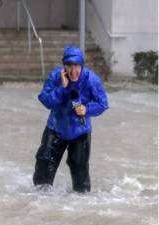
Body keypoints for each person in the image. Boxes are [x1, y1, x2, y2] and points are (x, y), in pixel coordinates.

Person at [33, 46, 109, 193]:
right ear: (64, 66)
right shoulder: (55, 76)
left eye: (76, 66)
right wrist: (62, 88)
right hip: (55, 129)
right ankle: (39, 201)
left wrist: (87, 109)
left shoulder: (91, 80)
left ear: (82, 65)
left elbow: (103, 104)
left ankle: (80, 204)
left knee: (80, 169)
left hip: (80, 131)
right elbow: (45, 100)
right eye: (69, 66)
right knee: (44, 161)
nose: (73, 71)